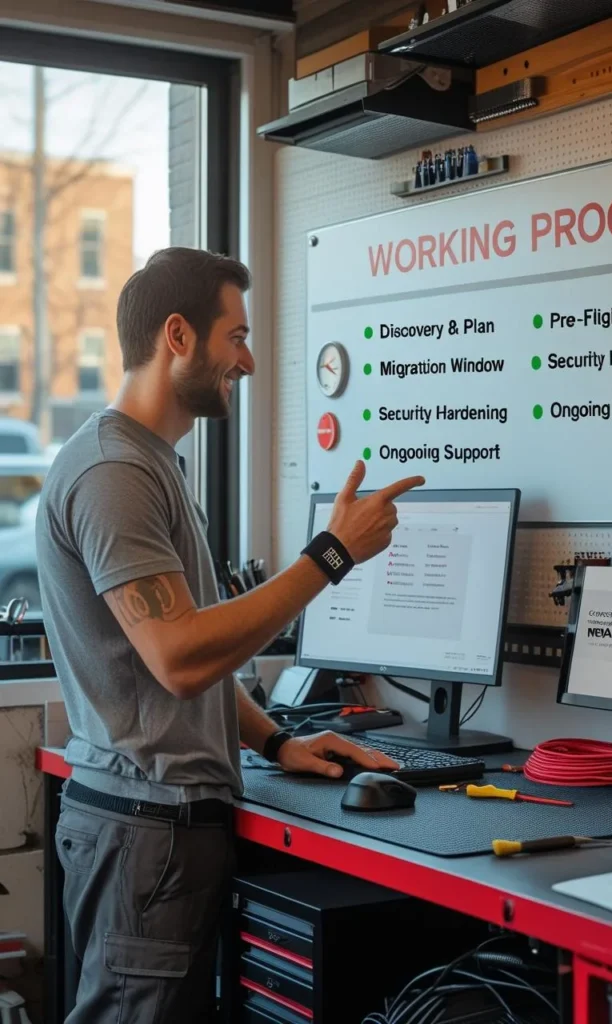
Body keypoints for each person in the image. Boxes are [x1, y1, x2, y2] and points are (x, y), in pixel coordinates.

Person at [36, 247, 424, 1023]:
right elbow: (178, 657)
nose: (247, 361)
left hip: (156, 830)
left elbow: (193, 656)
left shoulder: (154, 465)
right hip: (146, 832)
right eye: (236, 337)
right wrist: (332, 555)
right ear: (178, 336)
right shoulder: (114, 474)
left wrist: (278, 742)